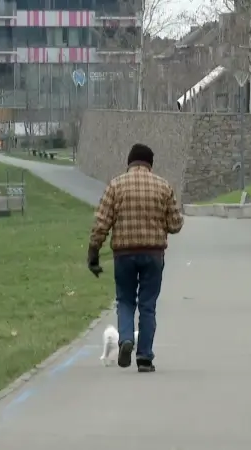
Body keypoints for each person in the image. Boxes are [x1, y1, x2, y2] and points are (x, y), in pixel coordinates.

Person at [87, 143, 184, 372]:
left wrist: (93, 254)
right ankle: (145, 358)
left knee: (125, 300)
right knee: (148, 306)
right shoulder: (163, 186)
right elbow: (175, 224)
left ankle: (126, 339)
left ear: (129, 162)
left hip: (124, 254)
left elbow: (101, 223)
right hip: (153, 254)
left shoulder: (115, 185)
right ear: (150, 163)